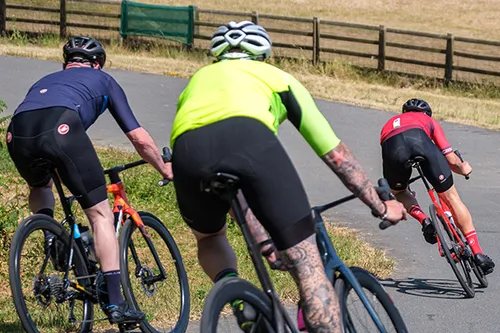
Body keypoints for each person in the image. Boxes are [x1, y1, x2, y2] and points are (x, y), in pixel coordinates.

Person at [170, 21, 407, 333]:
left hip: (187, 151)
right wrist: (380, 206)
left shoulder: (196, 81)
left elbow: (234, 187)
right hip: (249, 139)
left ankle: (237, 296)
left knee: (211, 237)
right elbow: (336, 155)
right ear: (265, 55)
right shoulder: (278, 77)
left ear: (217, 56)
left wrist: (265, 242)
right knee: (308, 266)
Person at [6, 36, 172, 324]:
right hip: (61, 129)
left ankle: (50, 236)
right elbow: (138, 138)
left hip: (17, 133)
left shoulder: (48, 79)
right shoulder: (104, 80)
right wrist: (164, 169)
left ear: (66, 64)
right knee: (99, 215)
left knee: (41, 184)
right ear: (97, 64)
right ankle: (117, 305)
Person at [379, 98, 494, 274]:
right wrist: (464, 169)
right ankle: (478, 253)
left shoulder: (389, 123)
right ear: (426, 113)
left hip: (392, 145)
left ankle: (424, 220)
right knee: (451, 197)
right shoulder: (429, 121)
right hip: (419, 140)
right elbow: (451, 159)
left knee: (400, 192)